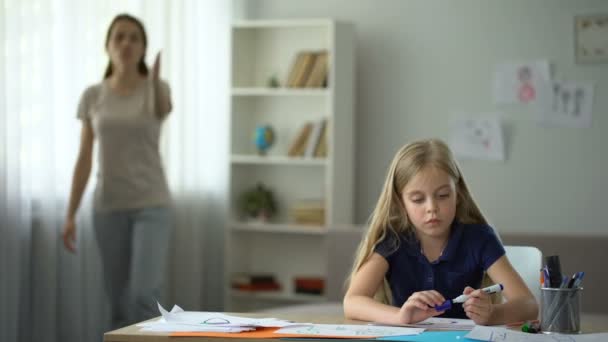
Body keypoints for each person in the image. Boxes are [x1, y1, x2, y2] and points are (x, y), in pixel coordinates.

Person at [343, 139, 538, 325]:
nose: (432, 208)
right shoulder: (392, 239)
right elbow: (352, 301)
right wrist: (401, 316)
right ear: (400, 202)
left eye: (443, 195)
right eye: (418, 199)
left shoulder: (479, 238)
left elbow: (528, 305)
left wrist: (492, 314)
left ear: (458, 193)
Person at [62, 13, 173, 329]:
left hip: (152, 206)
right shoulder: (93, 95)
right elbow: (84, 157)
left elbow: (163, 109)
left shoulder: (157, 88)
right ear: (108, 46)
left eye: (134, 37)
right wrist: (70, 214)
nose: (126, 43)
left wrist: (154, 83)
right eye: (119, 37)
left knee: (143, 294)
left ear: (143, 48)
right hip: (108, 208)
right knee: (118, 301)